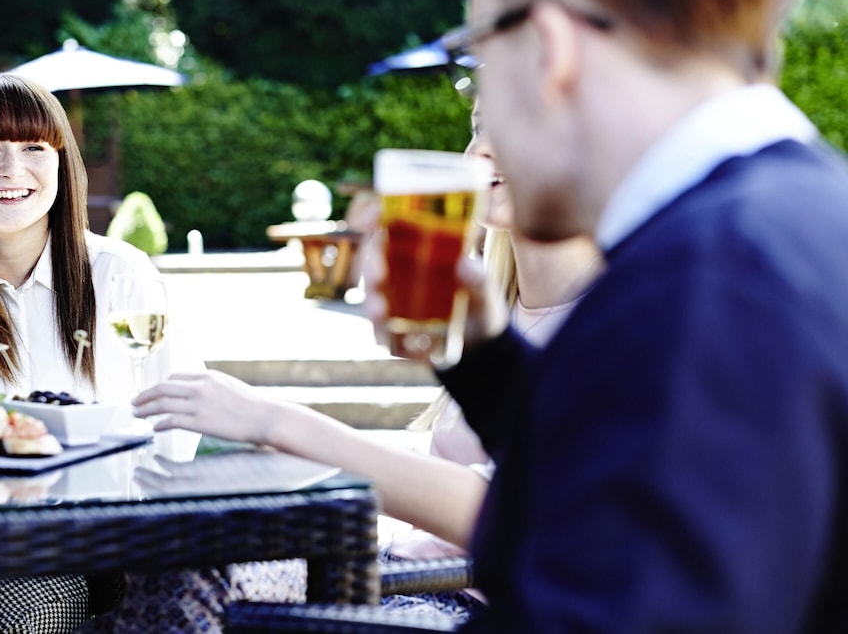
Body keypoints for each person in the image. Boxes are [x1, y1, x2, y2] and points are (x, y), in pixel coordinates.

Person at [364, 0, 848, 632]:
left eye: (476, 58)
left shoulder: (702, 282)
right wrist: (487, 363)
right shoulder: (798, 216)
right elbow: (620, 490)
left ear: (551, 47)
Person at [115, 106, 601, 628]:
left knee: (191, 586)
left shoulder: (617, 324)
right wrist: (281, 454)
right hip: (389, 566)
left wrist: (277, 423)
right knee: (172, 563)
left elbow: (509, 508)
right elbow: (443, 464)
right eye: (479, 126)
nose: (481, 149)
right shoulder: (492, 307)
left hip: (458, 600)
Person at [0, 71, 184, 633]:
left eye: (32, 148)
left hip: (102, 541)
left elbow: (177, 420)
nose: (11, 169)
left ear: (62, 162)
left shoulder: (119, 273)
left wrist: (143, 534)